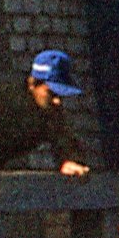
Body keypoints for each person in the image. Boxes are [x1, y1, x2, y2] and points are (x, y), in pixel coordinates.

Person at [23, 47, 91, 176]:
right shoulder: (5, 106)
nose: (57, 101)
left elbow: (63, 137)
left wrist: (70, 160)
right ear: (32, 84)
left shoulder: (51, 112)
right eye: (51, 93)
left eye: (60, 95)